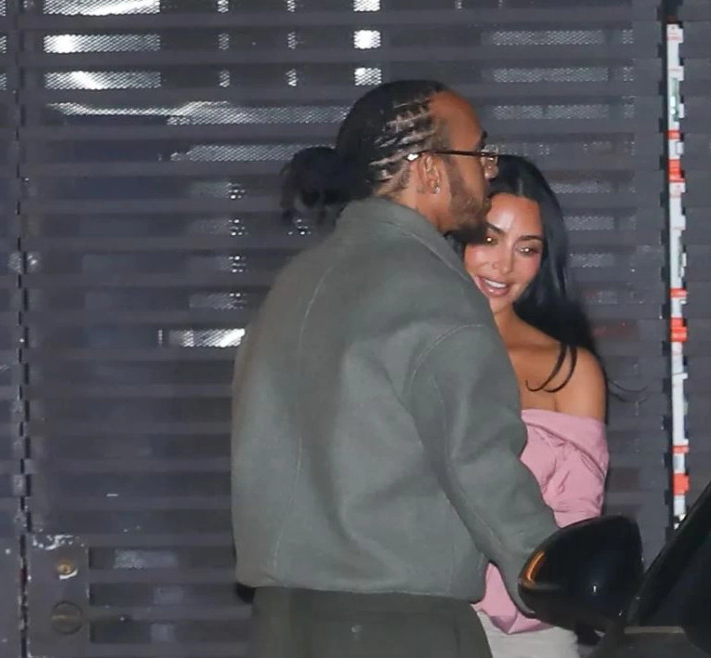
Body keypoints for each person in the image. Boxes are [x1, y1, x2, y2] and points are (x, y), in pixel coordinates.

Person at [231, 80, 559, 658]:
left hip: (280, 625)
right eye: (478, 152)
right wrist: (557, 579)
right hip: (398, 628)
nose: (489, 170)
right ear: (429, 170)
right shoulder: (434, 292)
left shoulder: (297, 282)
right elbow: (481, 465)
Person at [462, 155, 610, 658]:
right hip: (414, 619)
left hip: (528, 633)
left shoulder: (569, 370)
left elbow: (576, 522)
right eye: (488, 239)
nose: (503, 266)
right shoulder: (400, 349)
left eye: (526, 249)